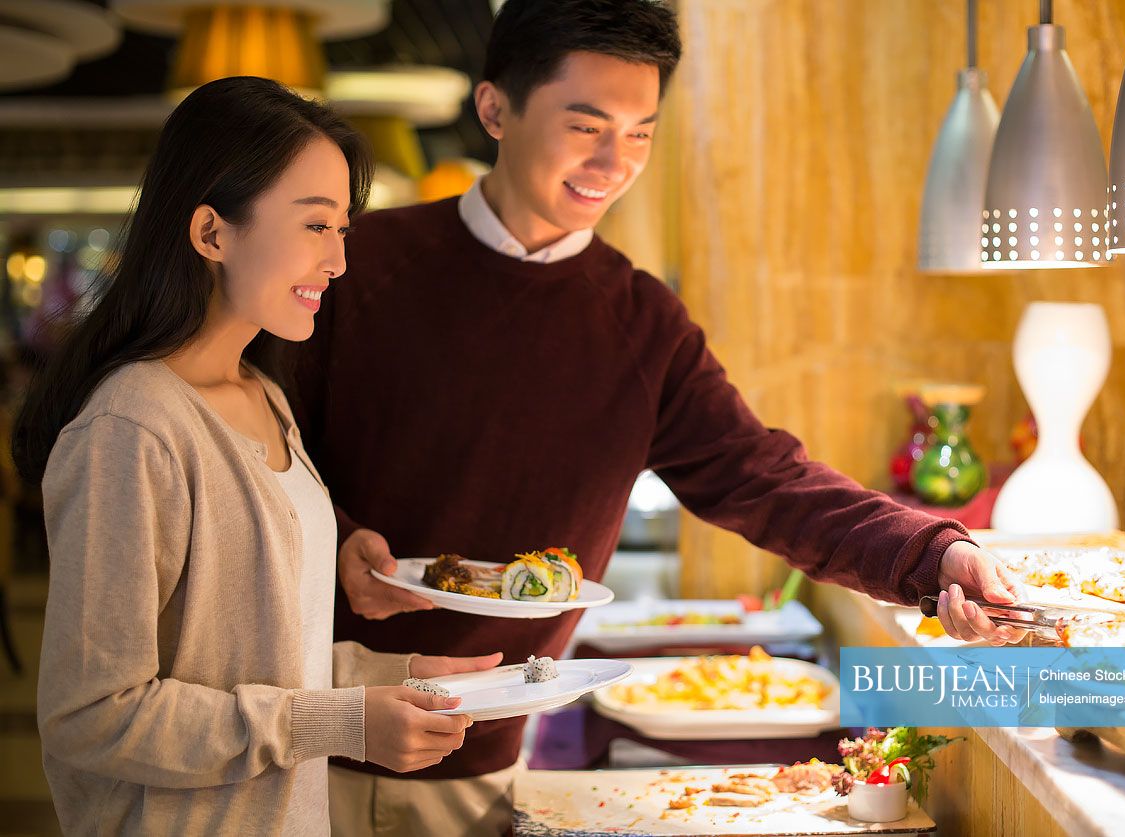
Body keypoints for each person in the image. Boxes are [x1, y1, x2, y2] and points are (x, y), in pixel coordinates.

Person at [291, 1, 1026, 834]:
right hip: (318, 733)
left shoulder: (639, 322)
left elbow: (764, 476)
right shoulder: (357, 266)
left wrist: (933, 553)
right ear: (495, 108)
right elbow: (253, 453)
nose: (614, 161)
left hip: (493, 748)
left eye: (640, 132)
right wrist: (338, 535)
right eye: (585, 124)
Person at [13, 76, 499, 836]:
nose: (338, 262)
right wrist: (340, 723)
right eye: (314, 226)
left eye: (343, 228)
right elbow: (91, 715)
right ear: (211, 233)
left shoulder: (263, 393)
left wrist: (394, 677)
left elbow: (259, 662)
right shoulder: (131, 427)